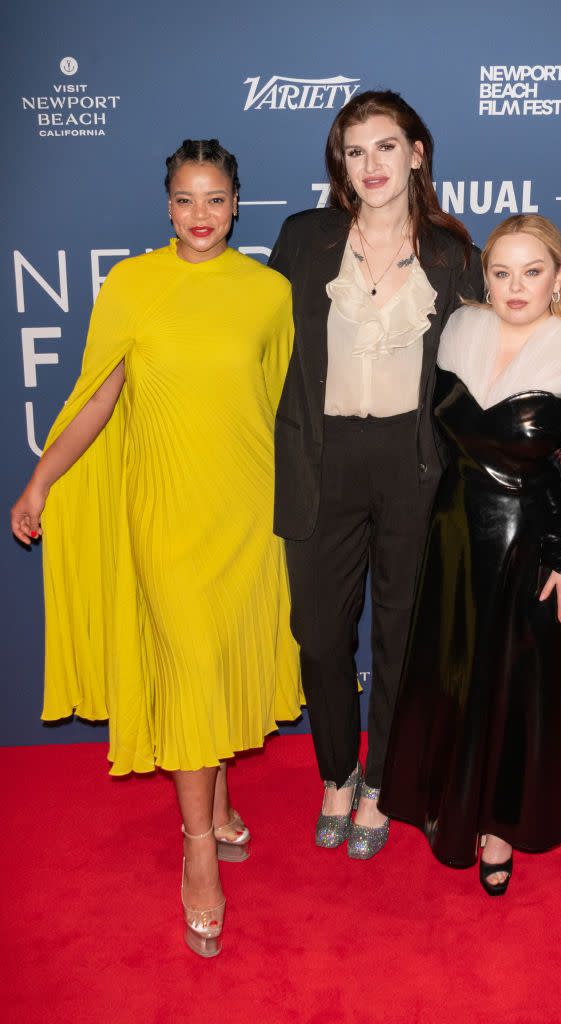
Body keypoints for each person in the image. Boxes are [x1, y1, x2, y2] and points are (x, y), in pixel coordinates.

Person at [10, 139, 301, 955]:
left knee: (218, 662)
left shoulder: (269, 292)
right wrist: (41, 481)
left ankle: (220, 803)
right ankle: (198, 849)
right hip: (166, 513)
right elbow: (98, 395)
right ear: (165, 205)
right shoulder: (131, 284)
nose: (199, 215)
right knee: (191, 661)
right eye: (184, 199)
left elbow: (283, 405)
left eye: (214, 199)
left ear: (237, 203)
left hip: (246, 513)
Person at [380, 213, 561, 893]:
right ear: (482, 276)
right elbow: (439, 431)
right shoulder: (459, 331)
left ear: (558, 277)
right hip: (456, 537)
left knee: (513, 690)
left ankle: (496, 828)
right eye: (500, 271)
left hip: (531, 544)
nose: (514, 286)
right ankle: (449, 802)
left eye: (532, 271)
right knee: (457, 680)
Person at [268, 90, 484, 859]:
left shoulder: (452, 253)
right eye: (354, 151)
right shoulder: (305, 239)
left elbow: (483, 364)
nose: (371, 166)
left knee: (399, 631)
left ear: (415, 152)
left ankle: (385, 780)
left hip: (412, 461)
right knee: (319, 634)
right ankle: (337, 771)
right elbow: (259, 347)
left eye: (385, 147)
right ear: (340, 163)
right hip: (320, 457)